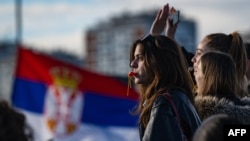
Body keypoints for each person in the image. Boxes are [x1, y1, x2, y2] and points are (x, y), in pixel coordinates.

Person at [150, 3, 249, 98]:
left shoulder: (195, 105)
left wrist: (154, 37)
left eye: (199, 53)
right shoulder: (240, 103)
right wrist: (168, 37)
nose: (193, 59)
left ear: (217, 59)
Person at [129, 34, 201, 141]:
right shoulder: (179, 96)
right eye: (134, 58)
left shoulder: (163, 103)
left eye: (140, 58)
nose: (132, 64)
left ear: (159, 62)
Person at [194, 51, 250, 123]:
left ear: (207, 77)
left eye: (196, 70)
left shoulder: (198, 114)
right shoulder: (244, 112)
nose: (194, 75)